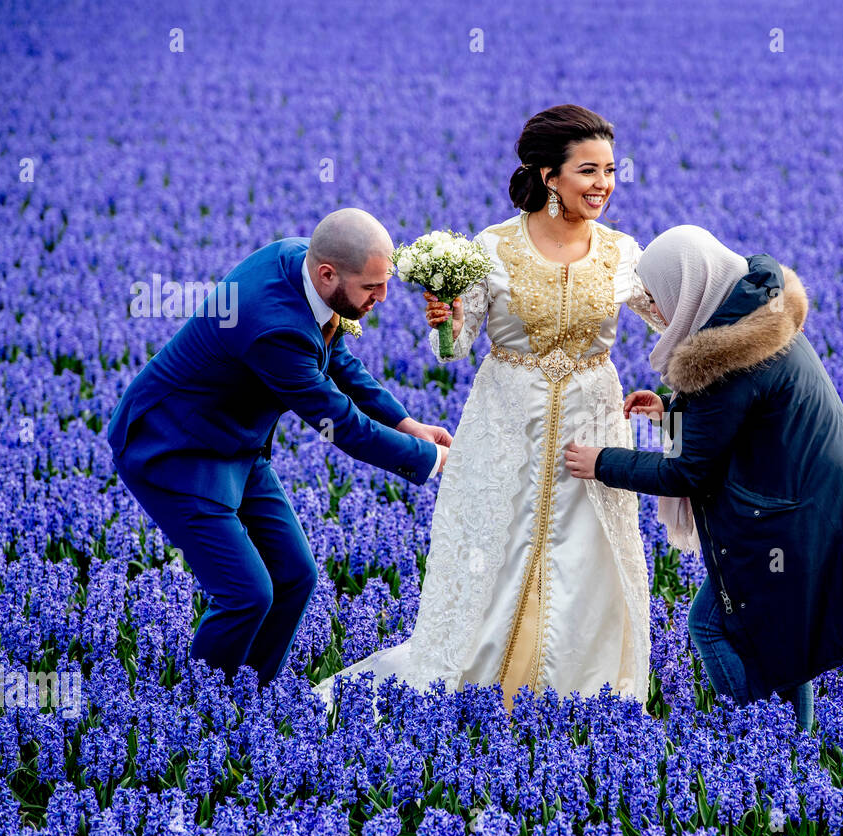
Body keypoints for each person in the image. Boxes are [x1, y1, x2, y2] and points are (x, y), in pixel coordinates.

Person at [314, 105, 665, 714]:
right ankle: (484, 689)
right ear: (549, 176)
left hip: (593, 424)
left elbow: (677, 323)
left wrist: (685, 390)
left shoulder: (622, 252)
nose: (604, 184)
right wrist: (444, 320)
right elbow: (455, 348)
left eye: (610, 170)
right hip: (507, 422)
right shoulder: (494, 247)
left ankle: (586, 697)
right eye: (589, 170)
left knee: (591, 556)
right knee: (497, 549)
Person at [565, 225, 843, 733]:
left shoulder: (723, 361)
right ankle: (796, 741)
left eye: (660, 299)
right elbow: (737, 420)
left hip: (799, 507)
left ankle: (761, 738)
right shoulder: (753, 321)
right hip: (819, 493)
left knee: (711, 624)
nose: (657, 315)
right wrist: (671, 411)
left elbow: (689, 471)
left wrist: (603, 462)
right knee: (781, 627)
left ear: (690, 291)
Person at [108, 208, 451, 688]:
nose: (383, 297)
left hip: (237, 441)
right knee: (245, 594)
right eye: (371, 287)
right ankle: (196, 710)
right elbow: (341, 426)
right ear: (328, 274)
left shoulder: (300, 261)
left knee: (296, 576)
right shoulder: (274, 328)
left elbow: (336, 362)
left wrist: (407, 423)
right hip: (173, 449)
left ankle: (251, 696)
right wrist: (432, 460)